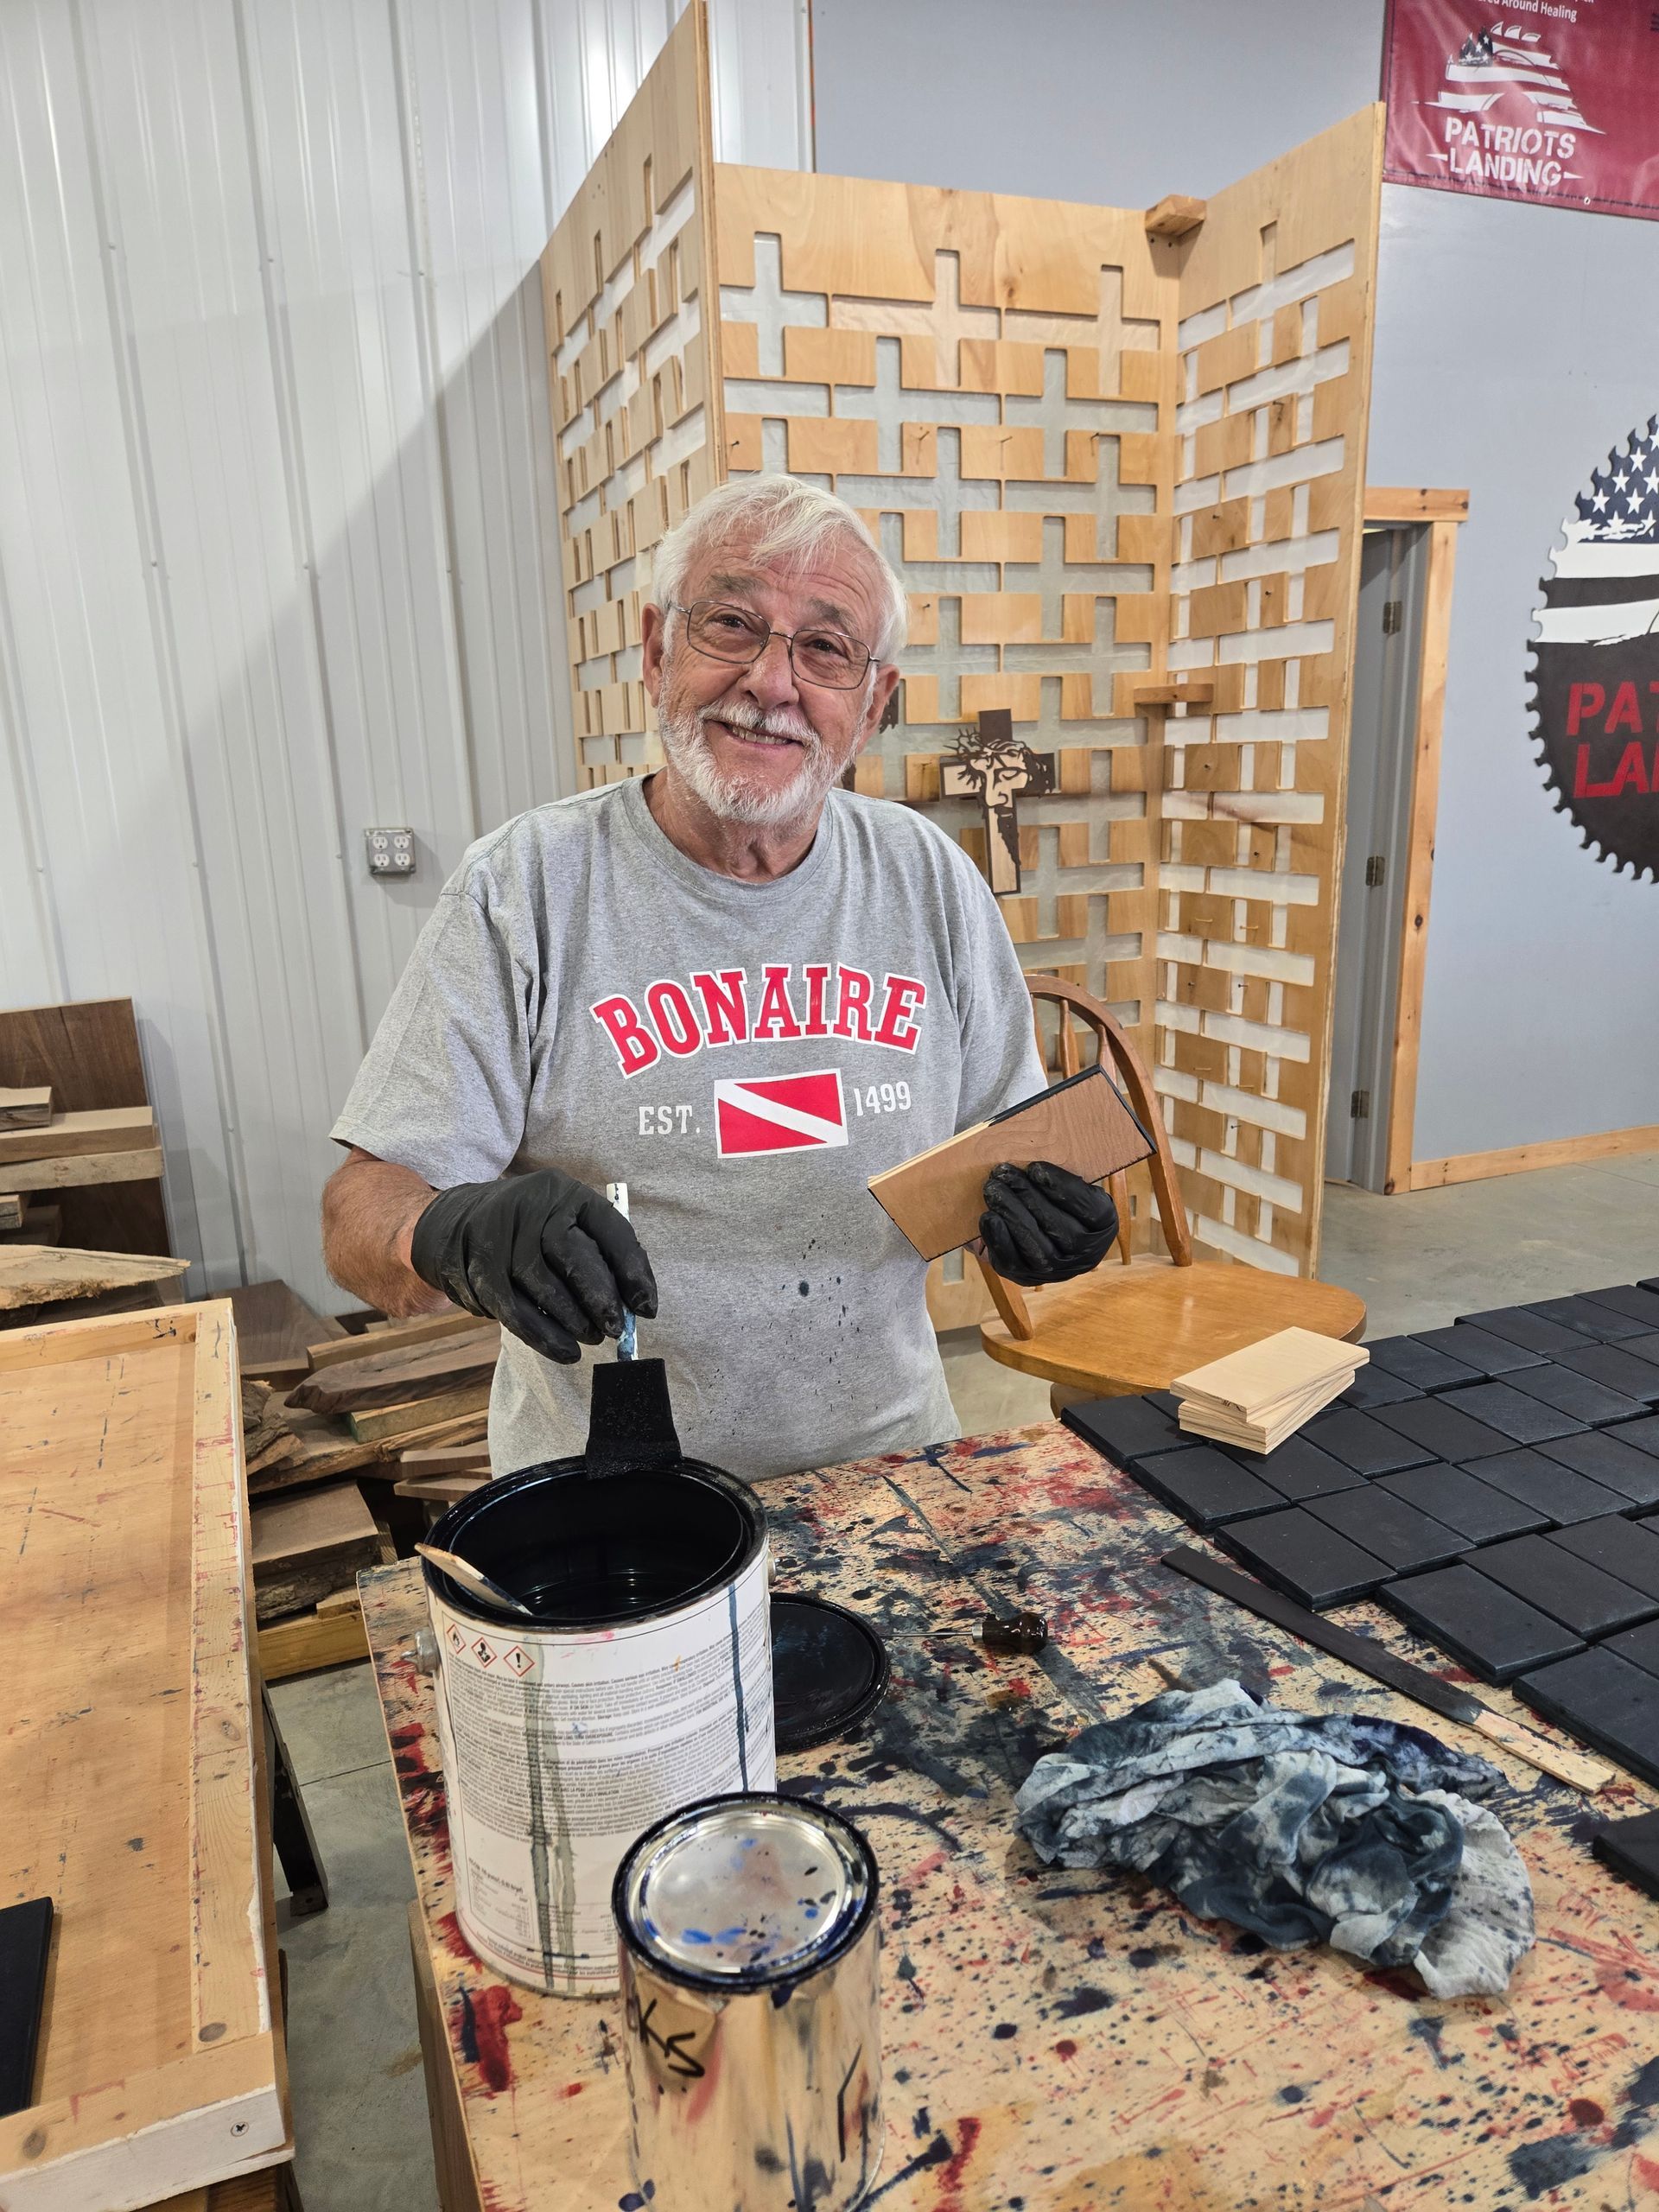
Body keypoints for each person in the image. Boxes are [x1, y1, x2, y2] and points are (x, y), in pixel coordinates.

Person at [321, 474, 1117, 1483]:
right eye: (733, 623)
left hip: (892, 1470)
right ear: (657, 651)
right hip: (609, 1495)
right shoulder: (524, 888)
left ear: (873, 703)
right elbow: (355, 1215)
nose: (772, 683)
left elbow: (1012, 1156)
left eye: (825, 648)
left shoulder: (928, 881)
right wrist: (442, 1231)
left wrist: (1046, 1223)